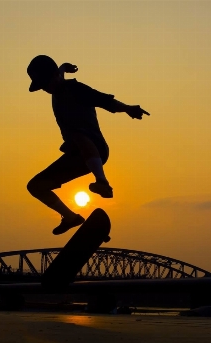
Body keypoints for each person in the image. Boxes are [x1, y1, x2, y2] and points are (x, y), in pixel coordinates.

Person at [26, 55, 150, 235]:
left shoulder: (75, 88)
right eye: (42, 86)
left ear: (53, 77)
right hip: (75, 156)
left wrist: (128, 108)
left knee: (77, 135)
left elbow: (104, 101)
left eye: (45, 84)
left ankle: (102, 182)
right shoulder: (57, 83)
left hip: (96, 148)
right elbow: (58, 76)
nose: (45, 89)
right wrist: (63, 67)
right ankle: (70, 217)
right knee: (35, 186)